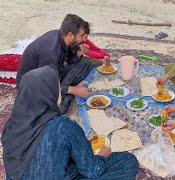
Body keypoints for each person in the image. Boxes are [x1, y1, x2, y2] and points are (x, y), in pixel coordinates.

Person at [2, 65, 139, 180]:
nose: (61, 91)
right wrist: (102, 157)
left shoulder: (11, 126)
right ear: (49, 94)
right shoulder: (62, 126)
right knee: (127, 161)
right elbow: (92, 170)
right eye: (57, 88)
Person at [16, 14, 93, 114]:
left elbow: (70, 61)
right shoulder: (51, 53)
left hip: (54, 75)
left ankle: (64, 89)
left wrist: (78, 53)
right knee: (60, 108)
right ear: (70, 35)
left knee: (85, 64)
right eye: (81, 36)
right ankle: (65, 91)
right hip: (33, 89)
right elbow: (45, 85)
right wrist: (74, 90)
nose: (84, 39)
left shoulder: (62, 37)